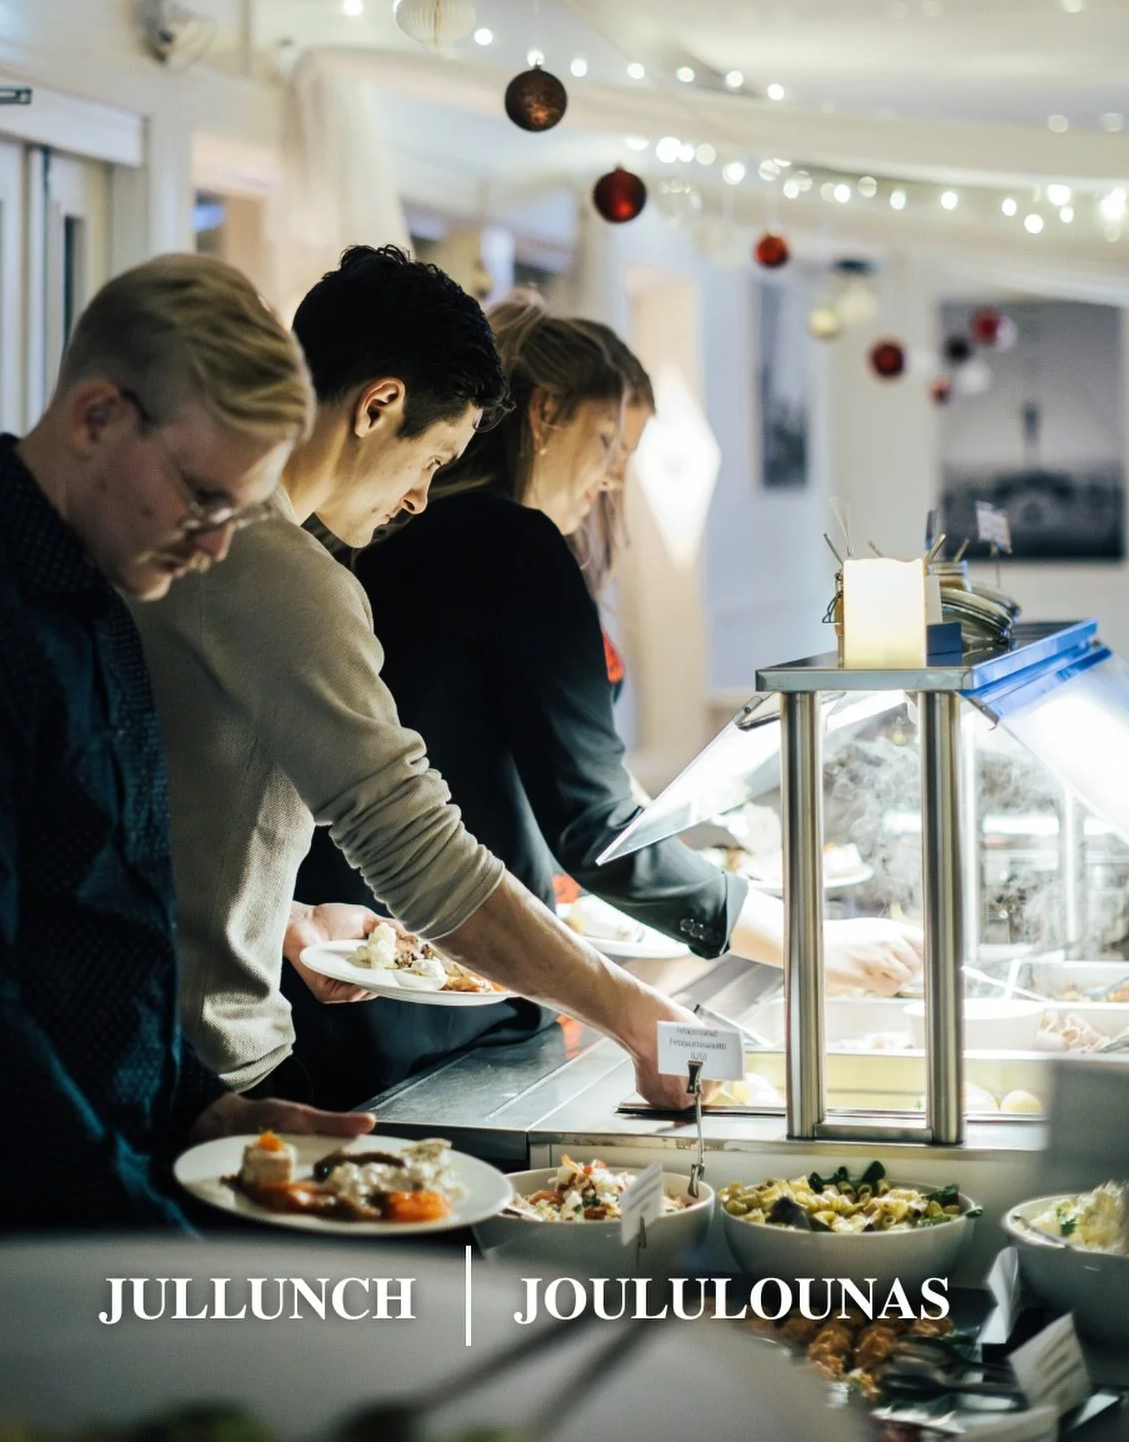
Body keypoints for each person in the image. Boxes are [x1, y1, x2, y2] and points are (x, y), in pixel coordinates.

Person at [0, 255, 366, 1253]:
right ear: (98, 415)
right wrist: (149, 1242)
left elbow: (104, 926)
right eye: (203, 497)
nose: (216, 546)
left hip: (88, 1188)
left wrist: (196, 1107)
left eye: (239, 512)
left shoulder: (104, 587)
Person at [287, 296, 924, 1104]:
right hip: (454, 998)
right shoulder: (508, 548)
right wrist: (806, 937)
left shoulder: (381, 540)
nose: (616, 472)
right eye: (609, 441)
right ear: (544, 414)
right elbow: (594, 829)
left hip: (349, 986)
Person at [135, 244, 710, 1124]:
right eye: (432, 461)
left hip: (158, 1045)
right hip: (211, 1069)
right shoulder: (284, 569)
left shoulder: (194, 540)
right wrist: (635, 1014)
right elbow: (418, 854)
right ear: (379, 406)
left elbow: (160, 814)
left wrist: (277, 915)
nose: (417, 500)